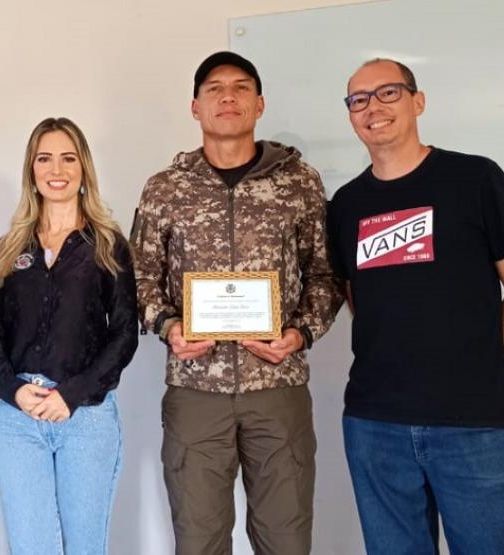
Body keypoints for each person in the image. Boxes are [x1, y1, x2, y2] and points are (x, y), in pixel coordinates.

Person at [328, 58, 504, 554]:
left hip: (472, 426)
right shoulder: (345, 205)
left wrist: (488, 362)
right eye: (358, 99)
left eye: (387, 93)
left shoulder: (476, 179)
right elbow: (356, 297)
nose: (372, 108)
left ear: (417, 101)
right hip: (374, 427)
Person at [131, 51, 342, 555]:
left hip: (278, 387)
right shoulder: (166, 189)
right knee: (199, 541)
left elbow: (325, 273)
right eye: (215, 89)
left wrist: (300, 334)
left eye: (242, 87)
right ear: (195, 107)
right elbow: (140, 276)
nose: (228, 96)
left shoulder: (299, 182)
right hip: (195, 393)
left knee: (286, 539)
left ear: (260, 103)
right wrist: (167, 326)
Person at [0, 117, 138, 555]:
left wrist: (71, 394)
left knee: (85, 548)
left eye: (68, 158)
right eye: (45, 158)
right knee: (32, 548)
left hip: (85, 417)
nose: (57, 169)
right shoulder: (10, 247)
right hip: (19, 421)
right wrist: (13, 391)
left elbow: (125, 335)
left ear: (84, 168)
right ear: (31, 170)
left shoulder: (108, 244)